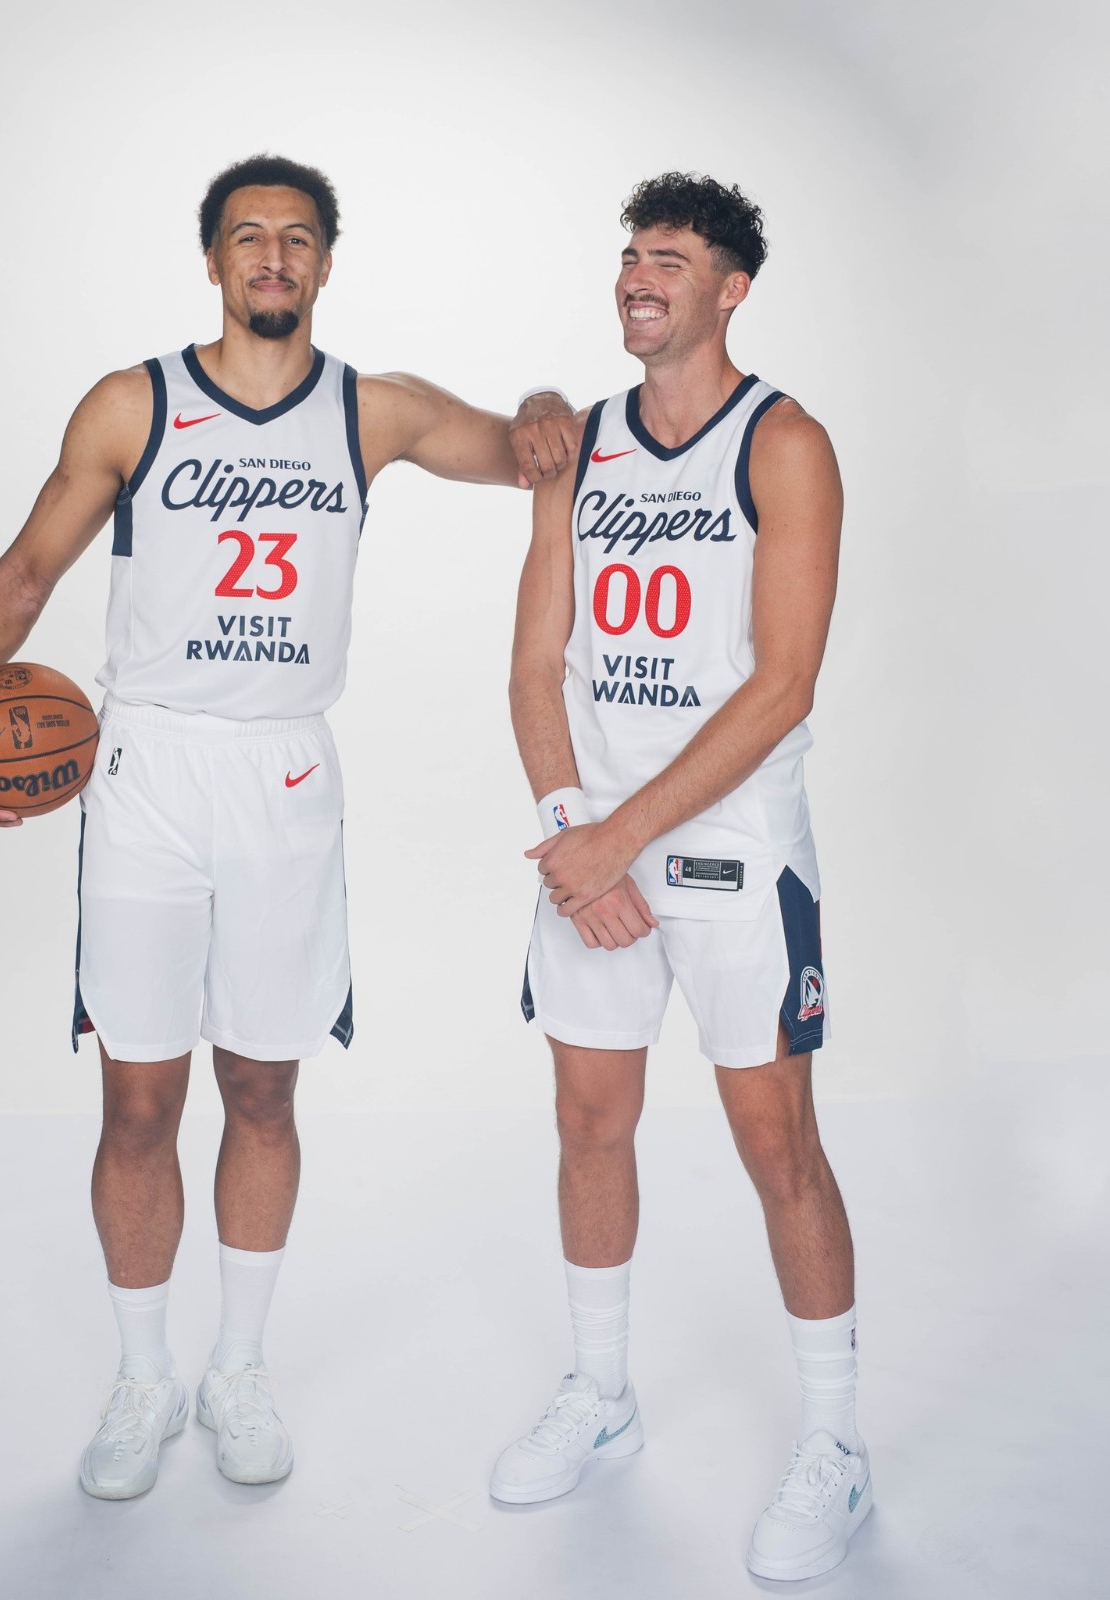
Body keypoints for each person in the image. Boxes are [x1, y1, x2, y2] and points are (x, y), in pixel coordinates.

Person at [0, 154, 576, 1501]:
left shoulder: (371, 411)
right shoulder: (134, 404)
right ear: (211, 261)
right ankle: (144, 1375)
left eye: (298, 237)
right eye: (249, 236)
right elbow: (29, 573)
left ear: (325, 264)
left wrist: (548, 404)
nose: (273, 255)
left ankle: (239, 1370)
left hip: (285, 774)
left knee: (263, 1087)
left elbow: (523, 450)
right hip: (148, 768)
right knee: (140, 1096)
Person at [493, 172, 863, 1582]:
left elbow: (782, 685)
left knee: (778, 1144)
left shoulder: (786, 443)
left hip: (733, 851)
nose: (641, 276)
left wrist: (616, 836)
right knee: (590, 1121)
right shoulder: (576, 446)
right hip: (589, 855)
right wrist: (570, 831)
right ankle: (602, 1393)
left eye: (673, 259)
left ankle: (834, 1441)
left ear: (731, 289)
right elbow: (535, 665)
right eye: (632, 256)